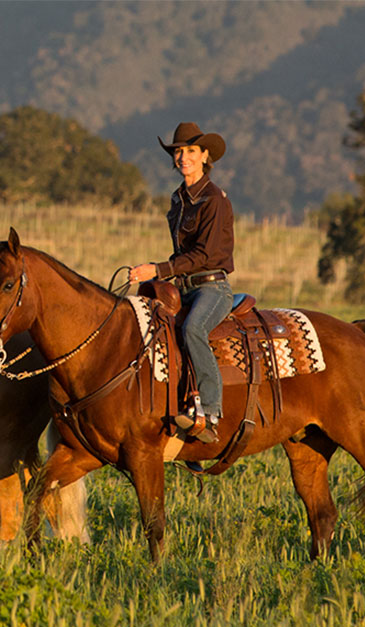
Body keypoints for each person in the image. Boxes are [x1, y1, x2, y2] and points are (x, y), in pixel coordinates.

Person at [126, 122, 235, 443]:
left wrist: (157, 270)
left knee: (192, 330)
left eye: (189, 151)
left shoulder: (214, 200)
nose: (182, 157)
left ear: (204, 156)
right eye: (178, 152)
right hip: (183, 288)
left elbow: (204, 255)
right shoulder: (179, 200)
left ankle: (211, 411)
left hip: (212, 287)